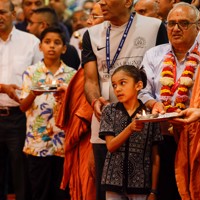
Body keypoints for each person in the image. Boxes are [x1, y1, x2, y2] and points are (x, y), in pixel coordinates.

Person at [82, 0, 168, 200]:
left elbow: (164, 71)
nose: (101, 2)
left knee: (143, 189)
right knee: (108, 189)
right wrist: (95, 101)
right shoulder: (92, 34)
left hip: (144, 121)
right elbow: (90, 80)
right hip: (106, 120)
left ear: (128, 1)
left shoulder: (154, 27)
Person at [138, 2, 200, 200]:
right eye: (171, 23)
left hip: (196, 136)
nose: (175, 28)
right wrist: (153, 104)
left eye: (183, 23)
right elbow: (142, 91)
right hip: (163, 136)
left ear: (197, 27)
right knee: (167, 191)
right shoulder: (154, 54)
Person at [19, 26, 76, 200]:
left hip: (62, 142)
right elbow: (23, 106)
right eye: (47, 42)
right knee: (40, 191)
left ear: (64, 48)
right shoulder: (31, 72)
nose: (52, 46)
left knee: (61, 192)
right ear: (40, 46)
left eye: (57, 43)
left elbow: (74, 108)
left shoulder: (72, 74)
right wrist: (33, 93)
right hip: (38, 141)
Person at [99, 65, 163, 200]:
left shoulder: (151, 115)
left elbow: (155, 156)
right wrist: (130, 128)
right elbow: (111, 146)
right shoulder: (110, 111)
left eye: (123, 83)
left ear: (138, 85)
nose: (118, 89)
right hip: (113, 182)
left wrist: (153, 191)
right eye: (114, 85)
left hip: (140, 184)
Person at [0, 0, 43, 200]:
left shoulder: (30, 42)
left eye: (2, 12)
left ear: (13, 13)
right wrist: (2, 88)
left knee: (21, 172)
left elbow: (40, 77)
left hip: (20, 116)